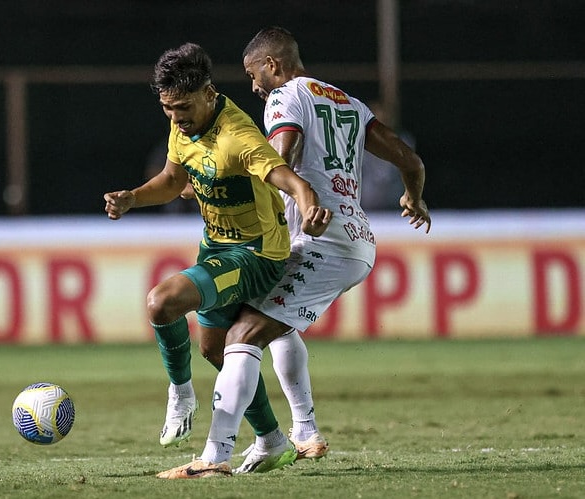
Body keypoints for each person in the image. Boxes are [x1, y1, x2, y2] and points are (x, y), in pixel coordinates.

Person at [157, 26, 430, 479]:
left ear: (274, 65)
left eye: (253, 74)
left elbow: (276, 159)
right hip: (352, 237)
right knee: (273, 325)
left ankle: (215, 457)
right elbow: (411, 161)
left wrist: (220, 178)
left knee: (240, 337)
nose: (253, 87)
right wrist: (413, 197)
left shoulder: (286, 97)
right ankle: (304, 433)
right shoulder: (348, 103)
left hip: (321, 238)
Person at [103, 42, 332, 474]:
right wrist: (133, 197)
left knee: (161, 301)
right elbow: (173, 180)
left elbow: (288, 178)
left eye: (182, 107)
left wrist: (307, 203)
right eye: (168, 108)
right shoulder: (184, 125)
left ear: (209, 93)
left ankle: (180, 393)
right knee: (213, 350)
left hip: (257, 254)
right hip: (217, 246)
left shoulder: (238, 137)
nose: (175, 117)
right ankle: (272, 440)